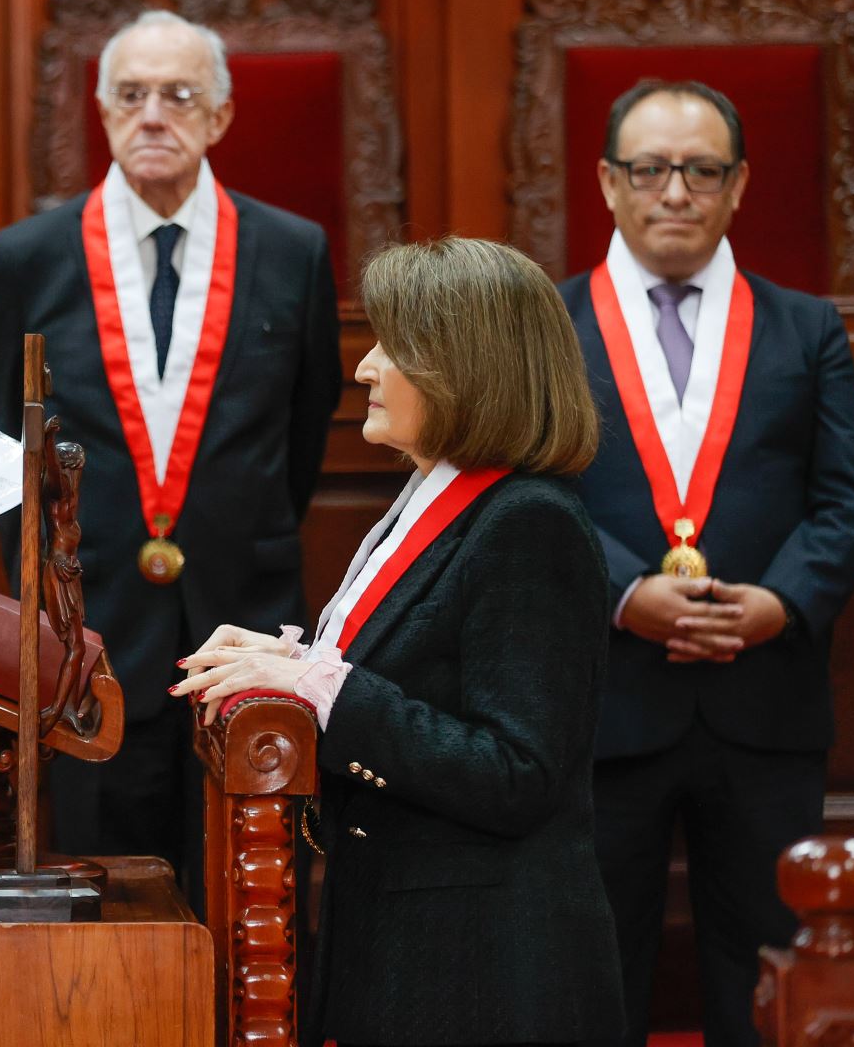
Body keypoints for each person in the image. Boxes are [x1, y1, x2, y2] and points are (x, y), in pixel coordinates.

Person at [178, 237, 625, 1046]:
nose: (364, 368)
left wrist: (327, 689)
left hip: (482, 968)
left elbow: (518, 773)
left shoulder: (530, 523)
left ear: (467, 368)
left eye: (395, 348)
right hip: (405, 933)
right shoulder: (434, 492)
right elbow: (405, 677)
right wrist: (296, 666)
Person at [0, 9, 341, 889]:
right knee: (111, 894)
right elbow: (3, 450)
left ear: (218, 116)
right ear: (101, 114)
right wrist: (45, 612)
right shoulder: (29, 257)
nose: (151, 116)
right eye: (130, 96)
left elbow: (305, 432)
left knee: (248, 887)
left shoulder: (292, 252)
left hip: (244, 621)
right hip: (91, 634)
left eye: (177, 95)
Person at [561, 80, 854, 1047]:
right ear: (610, 182)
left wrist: (781, 602)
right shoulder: (549, 327)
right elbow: (527, 495)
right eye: (650, 168)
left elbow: (846, 502)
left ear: (737, 186)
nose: (675, 192)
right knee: (594, 965)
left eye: (701, 170)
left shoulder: (806, 328)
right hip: (605, 701)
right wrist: (625, 593)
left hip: (764, 703)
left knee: (765, 966)